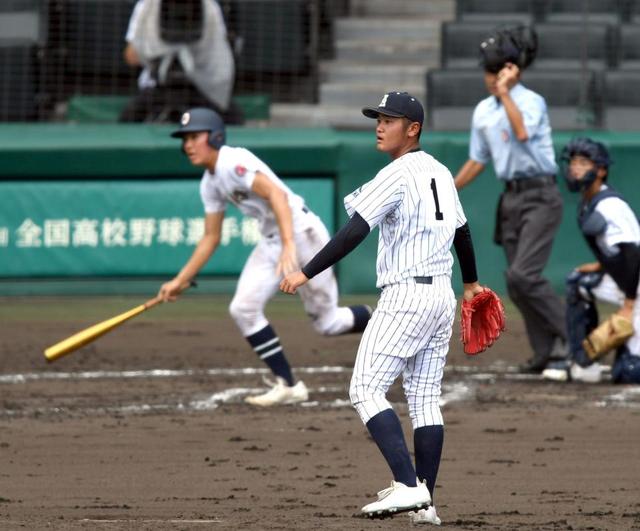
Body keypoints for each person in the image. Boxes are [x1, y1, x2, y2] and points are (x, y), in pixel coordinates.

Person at [280, 91, 486, 524]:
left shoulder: (397, 174)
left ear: (413, 129)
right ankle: (425, 503)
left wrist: (306, 272)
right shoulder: (442, 172)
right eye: (378, 118)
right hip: (441, 298)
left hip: (406, 296)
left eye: (389, 120)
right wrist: (470, 283)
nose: (379, 125)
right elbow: (463, 234)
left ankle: (408, 486)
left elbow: (354, 231)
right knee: (426, 399)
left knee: (365, 389)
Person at [159, 107, 372, 406]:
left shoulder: (232, 161)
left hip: (302, 234)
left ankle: (384, 320)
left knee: (328, 323)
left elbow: (277, 195)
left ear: (216, 136)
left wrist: (289, 245)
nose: (188, 145)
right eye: (185, 139)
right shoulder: (210, 183)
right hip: (274, 240)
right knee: (243, 308)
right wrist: (180, 280)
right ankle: (288, 385)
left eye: (195, 136)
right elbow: (211, 237)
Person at [453, 26, 567, 374]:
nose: (490, 77)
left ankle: (574, 337)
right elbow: (478, 160)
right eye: (488, 70)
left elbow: (520, 132)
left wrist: (505, 93)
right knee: (516, 280)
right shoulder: (483, 112)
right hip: (512, 198)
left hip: (540, 194)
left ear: (511, 69)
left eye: (496, 70)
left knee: (524, 274)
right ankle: (545, 351)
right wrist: (448, 187)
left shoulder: (531, 102)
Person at [542, 138, 640, 384]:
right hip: (626, 281)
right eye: (574, 162)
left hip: (634, 287)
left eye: (584, 163)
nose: (576, 168)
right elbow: (614, 249)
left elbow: (634, 253)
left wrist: (628, 304)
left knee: (628, 372)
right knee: (579, 282)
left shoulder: (610, 205)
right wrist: (601, 265)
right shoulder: (589, 200)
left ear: (601, 170)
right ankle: (584, 363)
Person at [120, 0, 243, 124]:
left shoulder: (146, 5)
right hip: (157, 85)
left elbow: (132, 56)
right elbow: (131, 57)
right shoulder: (148, 5)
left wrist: (156, 49)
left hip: (200, 85)